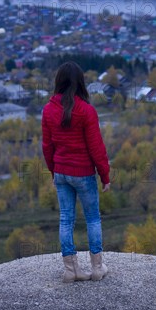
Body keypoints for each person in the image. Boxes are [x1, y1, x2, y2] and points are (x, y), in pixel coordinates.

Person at [42, 61, 111, 282]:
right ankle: (97, 268)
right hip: (83, 173)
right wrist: (105, 175)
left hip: (61, 172)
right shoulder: (87, 111)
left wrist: (54, 172)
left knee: (65, 219)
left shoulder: (48, 109)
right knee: (92, 218)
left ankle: (71, 271)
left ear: (58, 82)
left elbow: (47, 146)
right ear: (81, 82)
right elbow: (96, 147)